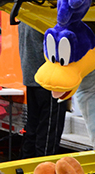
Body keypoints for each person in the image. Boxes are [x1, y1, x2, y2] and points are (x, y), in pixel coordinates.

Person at [19, 21, 69, 158]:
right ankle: (44, 169)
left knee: (33, 128)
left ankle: (27, 167)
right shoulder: (44, 18)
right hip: (50, 81)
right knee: (48, 133)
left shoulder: (25, 18)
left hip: (32, 78)